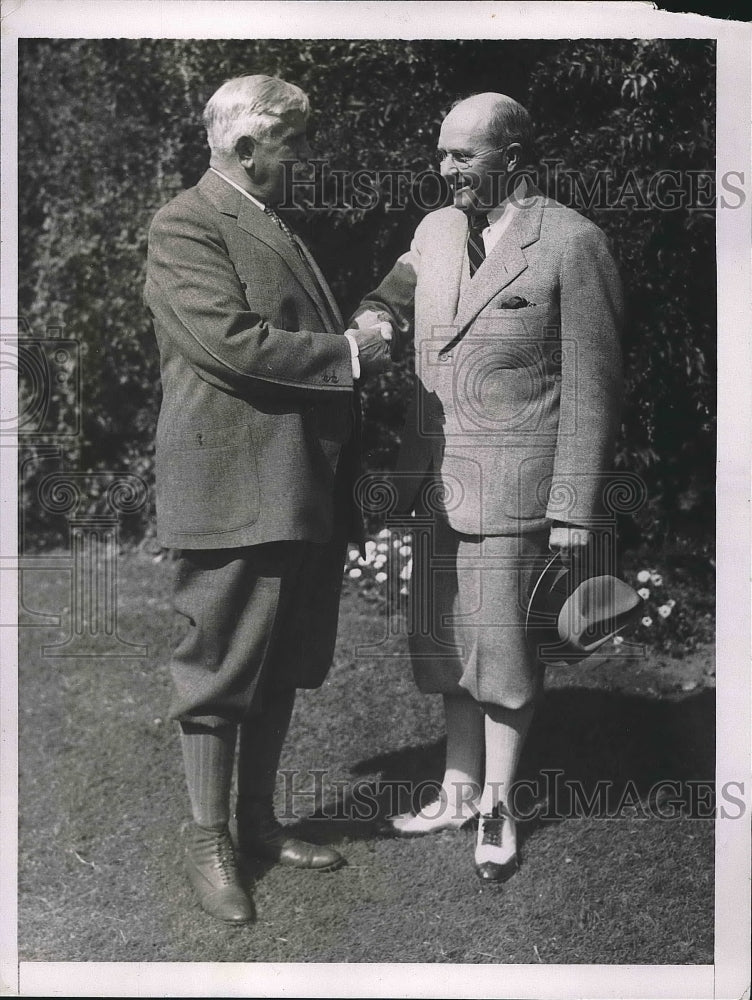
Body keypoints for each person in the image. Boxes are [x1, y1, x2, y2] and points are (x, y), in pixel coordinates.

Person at [351, 93, 623, 882]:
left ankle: (499, 808)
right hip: (433, 479)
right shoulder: (436, 230)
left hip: (518, 487)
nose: (445, 169)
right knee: (444, 648)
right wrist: (372, 322)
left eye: (462, 156)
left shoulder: (573, 243)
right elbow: (391, 295)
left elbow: (594, 388)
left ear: (512, 155)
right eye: (442, 153)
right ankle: (457, 789)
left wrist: (573, 505)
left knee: (503, 652)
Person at [144, 75, 391, 924]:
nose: (306, 158)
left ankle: (255, 824)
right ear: (246, 147)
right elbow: (230, 346)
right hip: (230, 485)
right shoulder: (187, 222)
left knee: (279, 662)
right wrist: (350, 355)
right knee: (219, 669)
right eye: (295, 142)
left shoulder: (269, 218)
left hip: (290, 485)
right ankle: (208, 841)